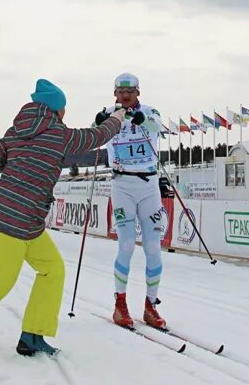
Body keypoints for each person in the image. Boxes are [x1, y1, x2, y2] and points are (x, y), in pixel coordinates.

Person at [0, 79, 126, 357]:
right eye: (64, 107)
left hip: (21, 221)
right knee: (3, 275)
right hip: (13, 222)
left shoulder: (15, 132)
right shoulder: (58, 134)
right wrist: (117, 118)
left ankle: (33, 334)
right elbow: (95, 138)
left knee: (52, 269)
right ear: (56, 109)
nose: (66, 112)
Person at [95, 72, 168, 329]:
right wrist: (100, 123)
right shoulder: (109, 113)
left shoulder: (150, 111)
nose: (125, 96)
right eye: (120, 92)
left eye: (131, 91)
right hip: (122, 184)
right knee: (126, 244)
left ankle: (150, 306)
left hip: (148, 185)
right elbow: (97, 134)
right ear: (115, 93)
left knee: (153, 247)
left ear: (138, 92)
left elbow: (157, 125)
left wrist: (143, 119)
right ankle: (120, 304)